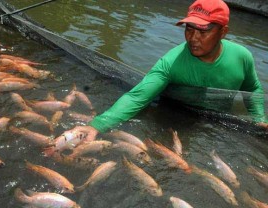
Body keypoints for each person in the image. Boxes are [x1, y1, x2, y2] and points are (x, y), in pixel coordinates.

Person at [71, 0, 268, 140]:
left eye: (203, 31)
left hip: (217, 121)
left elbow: (253, 90)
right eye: (189, 29)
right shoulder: (171, 63)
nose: (193, 38)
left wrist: (259, 120)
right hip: (175, 116)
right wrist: (97, 125)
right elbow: (137, 96)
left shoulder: (242, 57)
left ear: (223, 32)